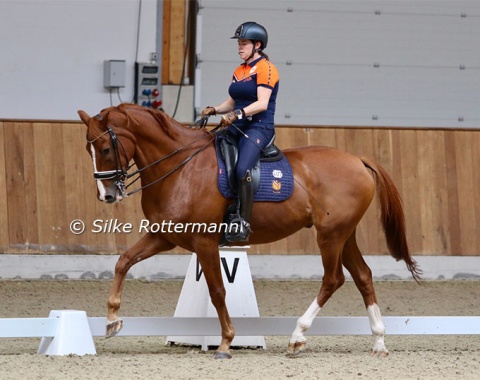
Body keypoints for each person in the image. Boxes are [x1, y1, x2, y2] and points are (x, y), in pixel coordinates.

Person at [201, 21, 280, 243]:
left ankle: (242, 221)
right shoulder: (240, 70)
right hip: (238, 125)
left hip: (258, 127)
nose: (239, 47)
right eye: (239, 43)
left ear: (258, 45)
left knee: (243, 167)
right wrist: (215, 109)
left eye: (243, 43)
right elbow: (231, 101)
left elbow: (262, 103)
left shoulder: (267, 68)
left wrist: (237, 114)